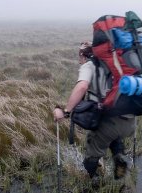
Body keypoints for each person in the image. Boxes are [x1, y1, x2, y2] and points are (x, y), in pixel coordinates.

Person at [53, 41, 136, 180]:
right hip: (127, 118)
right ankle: (120, 159)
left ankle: (90, 181)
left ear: (83, 55)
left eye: (79, 55)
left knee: (93, 150)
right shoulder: (115, 64)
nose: (79, 59)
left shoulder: (89, 65)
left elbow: (82, 87)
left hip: (105, 118)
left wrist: (66, 111)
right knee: (113, 135)